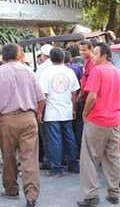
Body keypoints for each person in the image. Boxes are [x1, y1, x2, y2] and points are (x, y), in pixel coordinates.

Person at [0, 44, 45, 207]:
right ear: (19, 55)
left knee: (8, 156)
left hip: (7, 120)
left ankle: (11, 189)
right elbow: (41, 99)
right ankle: (31, 195)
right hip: (28, 118)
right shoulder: (28, 71)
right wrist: (38, 114)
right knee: (30, 158)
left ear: (3, 57)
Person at [77, 43, 120, 207]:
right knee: (113, 158)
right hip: (113, 121)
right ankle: (114, 193)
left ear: (104, 55)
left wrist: (85, 114)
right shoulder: (118, 72)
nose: (92, 56)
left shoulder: (97, 71)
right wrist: (117, 115)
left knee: (89, 159)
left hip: (97, 120)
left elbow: (91, 96)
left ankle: (91, 196)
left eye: (96, 53)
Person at [39, 47, 80, 177]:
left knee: (54, 139)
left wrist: (40, 112)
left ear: (50, 58)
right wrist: (73, 108)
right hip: (67, 110)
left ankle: (56, 167)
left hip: (52, 112)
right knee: (69, 137)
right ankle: (73, 164)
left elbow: (43, 95)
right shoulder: (70, 72)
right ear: (63, 57)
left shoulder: (46, 72)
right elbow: (74, 93)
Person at [75, 40, 94, 149]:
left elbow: (89, 85)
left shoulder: (91, 63)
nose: (81, 52)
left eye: (84, 50)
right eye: (80, 50)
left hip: (87, 98)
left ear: (90, 49)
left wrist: (79, 97)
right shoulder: (85, 61)